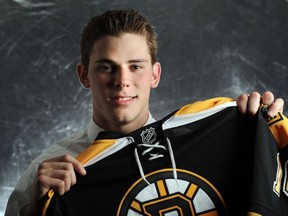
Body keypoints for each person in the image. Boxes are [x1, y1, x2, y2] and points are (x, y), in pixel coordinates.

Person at [5, 9, 286, 216]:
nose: (122, 81)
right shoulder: (47, 174)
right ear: (84, 75)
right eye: (106, 67)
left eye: (135, 66)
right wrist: (36, 208)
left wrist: (264, 131)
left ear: (155, 75)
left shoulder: (225, 138)